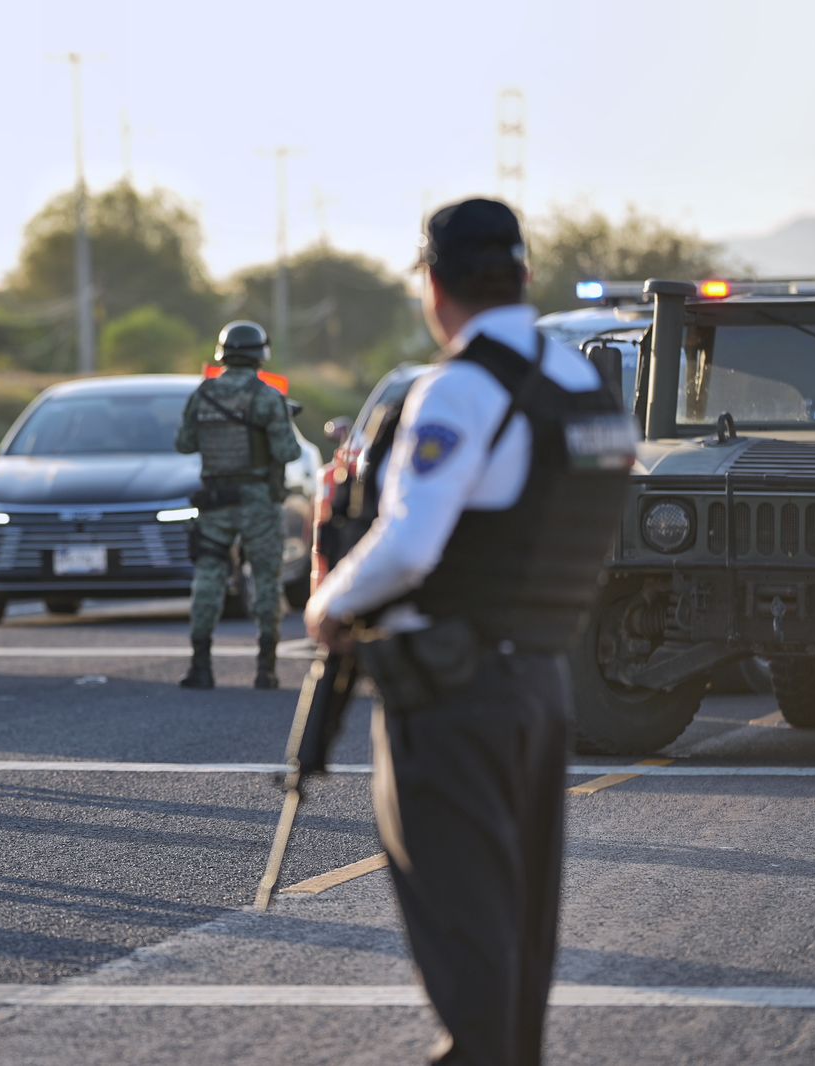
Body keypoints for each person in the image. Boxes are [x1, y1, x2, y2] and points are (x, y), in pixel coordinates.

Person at [304, 198, 635, 1064]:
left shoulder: (459, 386)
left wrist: (329, 605)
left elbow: (409, 542)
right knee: (518, 936)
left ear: (436, 286)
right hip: (539, 689)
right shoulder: (585, 383)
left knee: (466, 933)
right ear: (525, 277)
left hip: (452, 696)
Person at [175, 320, 301, 690]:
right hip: (258, 501)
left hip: (215, 500)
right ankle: (266, 669)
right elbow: (287, 451)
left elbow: (184, 444)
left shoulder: (204, 395)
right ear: (261, 354)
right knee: (265, 580)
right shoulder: (266, 397)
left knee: (209, 577)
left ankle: (200, 665)